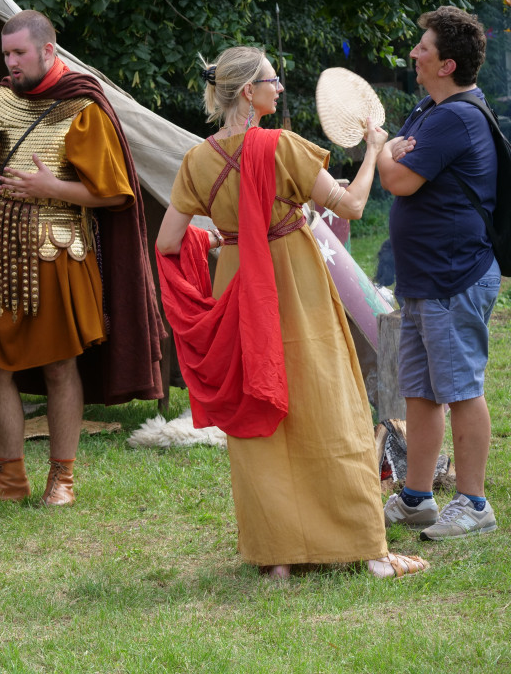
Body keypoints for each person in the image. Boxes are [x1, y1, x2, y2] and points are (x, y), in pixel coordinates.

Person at [154, 45, 429, 579]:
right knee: (331, 404)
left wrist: (224, 238)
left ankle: (276, 558)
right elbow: (349, 205)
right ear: (247, 93)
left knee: (259, 414)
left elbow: (169, 241)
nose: (279, 87)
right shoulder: (283, 147)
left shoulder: (197, 159)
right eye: (272, 80)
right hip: (293, 283)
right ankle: (368, 552)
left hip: (238, 284)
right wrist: (373, 150)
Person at [0, 10, 164, 506]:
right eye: (6, 54)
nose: (11, 62)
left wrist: (53, 186)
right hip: (0, 250)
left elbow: (114, 193)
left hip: (58, 249)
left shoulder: (82, 105)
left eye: (19, 53)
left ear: (48, 50)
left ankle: (61, 478)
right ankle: (10, 477)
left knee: (60, 366)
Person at [378, 6, 500, 540]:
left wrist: (383, 153)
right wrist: (391, 152)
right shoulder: (430, 108)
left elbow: (399, 179)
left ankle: (473, 504)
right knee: (422, 393)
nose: (414, 53)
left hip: (455, 277)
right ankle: (417, 498)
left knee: (461, 389)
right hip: (427, 278)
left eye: (423, 47)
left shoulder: (455, 117)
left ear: (447, 63)